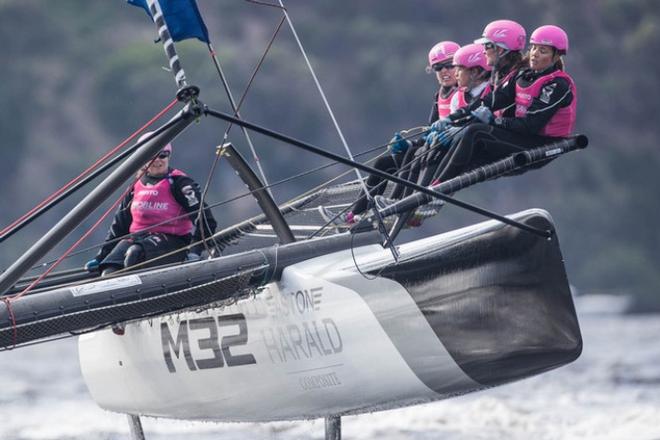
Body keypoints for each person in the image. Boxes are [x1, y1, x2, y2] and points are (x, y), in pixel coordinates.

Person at [319, 41, 460, 225]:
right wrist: (408, 143)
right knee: (383, 163)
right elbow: (430, 131)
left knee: (412, 156)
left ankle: (396, 206)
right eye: (438, 68)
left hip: (446, 153)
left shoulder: (463, 92)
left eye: (449, 65)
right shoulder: (439, 95)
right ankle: (355, 216)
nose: (444, 72)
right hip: (432, 148)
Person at [427, 24, 577, 185]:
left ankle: (436, 188)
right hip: (522, 137)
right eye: (533, 48)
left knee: (475, 132)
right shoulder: (523, 75)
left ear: (556, 56)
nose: (534, 54)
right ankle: (420, 193)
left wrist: (493, 121)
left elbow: (531, 125)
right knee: (449, 144)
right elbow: (492, 100)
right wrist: (452, 118)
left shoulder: (557, 84)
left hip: (541, 144)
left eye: (543, 51)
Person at [84, 134, 217, 275]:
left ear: (169, 156)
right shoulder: (135, 186)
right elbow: (119, 226)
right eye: (152, 155)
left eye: (163, 155)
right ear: (142, 158)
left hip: (173, 243)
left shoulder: (181, 184)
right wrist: (101, 256)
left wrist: (195, 251)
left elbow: (206, 220)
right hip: (138, 239)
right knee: (108, 271)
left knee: (134, 255)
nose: (157, 160)